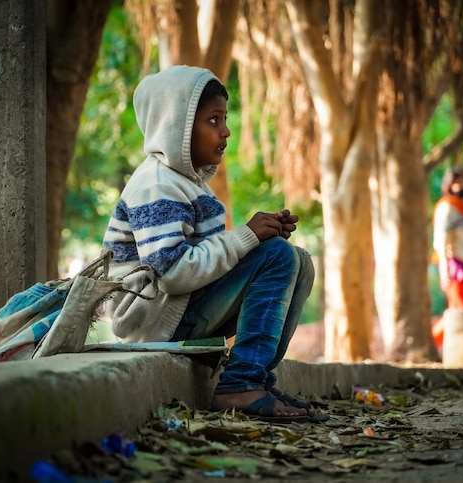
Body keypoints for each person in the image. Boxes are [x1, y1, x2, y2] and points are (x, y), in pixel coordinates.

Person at [101, 65, 320, 423]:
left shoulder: (192, 184)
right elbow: (172, 273)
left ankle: (256, 378)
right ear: (177, 127)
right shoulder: (156, 185)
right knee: (278, 256)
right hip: (155, 320)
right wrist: (247, 237)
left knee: (298, 260)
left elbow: (209, 261)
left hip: (182, 309)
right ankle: (241, 383)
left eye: (224, 118)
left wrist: (258, 237)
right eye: (213, 120)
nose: (226, 131)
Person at [431, 169, 463, 347]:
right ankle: (432, 342)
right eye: (457, 183)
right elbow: (441, 241)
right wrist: (444, 269)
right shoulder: (446, 208)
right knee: (458, 312)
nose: (461, 187)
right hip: (456, 265)